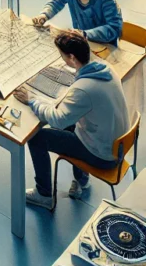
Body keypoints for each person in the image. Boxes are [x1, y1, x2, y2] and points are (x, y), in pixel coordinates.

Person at [14, 30, 129, 208]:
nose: (62, 60)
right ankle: (82, 181)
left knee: (36, 138)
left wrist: (31, 100)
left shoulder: (83, 89)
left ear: (73, 58)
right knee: (73, 123)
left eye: (62, 56)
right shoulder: (107, 69)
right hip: (117, 144)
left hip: (103, 155)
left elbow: (58, 120)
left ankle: (44, 195)